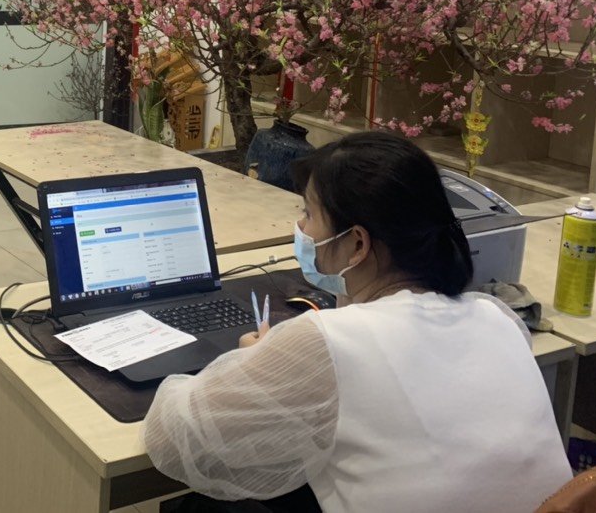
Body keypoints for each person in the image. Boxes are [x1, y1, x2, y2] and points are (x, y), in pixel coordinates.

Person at [143, 131, 571, 513]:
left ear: (357, 244)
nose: (300, 227)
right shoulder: (496, 316)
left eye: (309, 214)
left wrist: (254, 363)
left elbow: (172, 438)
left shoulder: (328, 341)